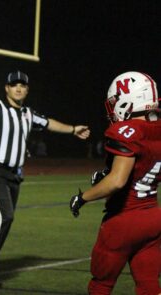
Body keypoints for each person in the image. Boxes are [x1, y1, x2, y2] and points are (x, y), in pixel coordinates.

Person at [0, 70, 90, 288]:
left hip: (14, 175)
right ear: (6, 88)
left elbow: (49, 123)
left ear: (27, 89)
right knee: (4, 216)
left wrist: (73, 129)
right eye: (14, 85)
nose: (18, 88)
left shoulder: (28, 113)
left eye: (22, 85)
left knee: (4, 220)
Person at [69, 71, 161, 295]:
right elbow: (141, 169)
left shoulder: (126, 131)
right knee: (148, 283)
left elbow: (118, 181)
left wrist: (82, 198)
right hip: (153, 217)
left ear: (130, 100)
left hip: (123, 221)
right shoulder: (157, 130)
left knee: (101, 284)